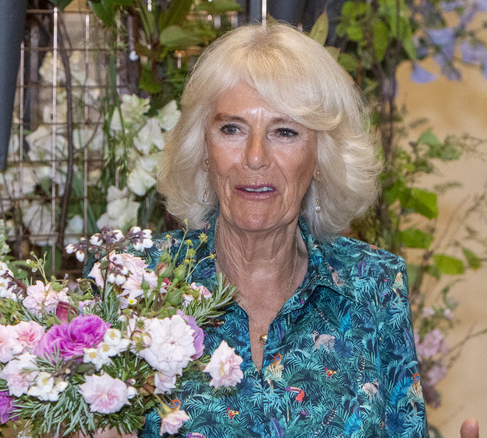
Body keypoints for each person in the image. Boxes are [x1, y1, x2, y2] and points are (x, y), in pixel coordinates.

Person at [135, 22, 425, 437]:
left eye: (284, 131)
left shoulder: (374, 286)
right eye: (232, 128)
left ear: (321, 158)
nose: (255, 157)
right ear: (203, 149)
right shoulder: (139, 284)